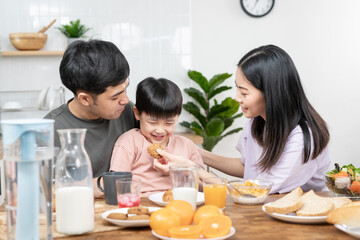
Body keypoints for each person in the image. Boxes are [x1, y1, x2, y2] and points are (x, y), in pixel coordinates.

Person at [156, 44, 330, 194]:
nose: (237, 97)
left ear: (271, 92)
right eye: (237, 88)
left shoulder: (302, 137)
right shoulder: (257, 121)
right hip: (263, 211)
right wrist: (195, 153)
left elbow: (257, 189)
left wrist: (190, 167)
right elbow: (248, 169)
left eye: (244, 92)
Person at [45, 40, 139, 197]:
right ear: (85, 99)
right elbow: (32, 192)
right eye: (115, 96)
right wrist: (100, 186)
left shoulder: (128, 110)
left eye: (126, 88)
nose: (125, 99)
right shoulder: (48, 130)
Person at [109, 77, 205, 196]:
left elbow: (203, 187)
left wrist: (182, 171)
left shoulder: (187, 146)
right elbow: (117, 184)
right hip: (141, 204)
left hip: (179, 204)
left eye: (169, 123)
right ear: (137, 113)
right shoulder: (129, 142)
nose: (160, 130)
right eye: (152, 122)